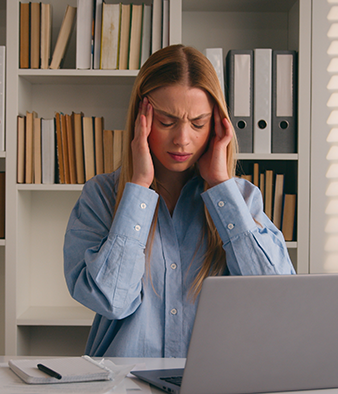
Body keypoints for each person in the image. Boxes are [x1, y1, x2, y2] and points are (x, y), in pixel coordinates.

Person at [63, 44, 295, 358]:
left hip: (214, 382)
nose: (183, 139)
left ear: (216, 124)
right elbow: (111, 301)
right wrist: (139, 190)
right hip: (125, 384)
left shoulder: (241, 199)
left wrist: (220, 187)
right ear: (140, 120)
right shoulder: (101, 196)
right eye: (167, 122)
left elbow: (276, 297)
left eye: (198, 124)